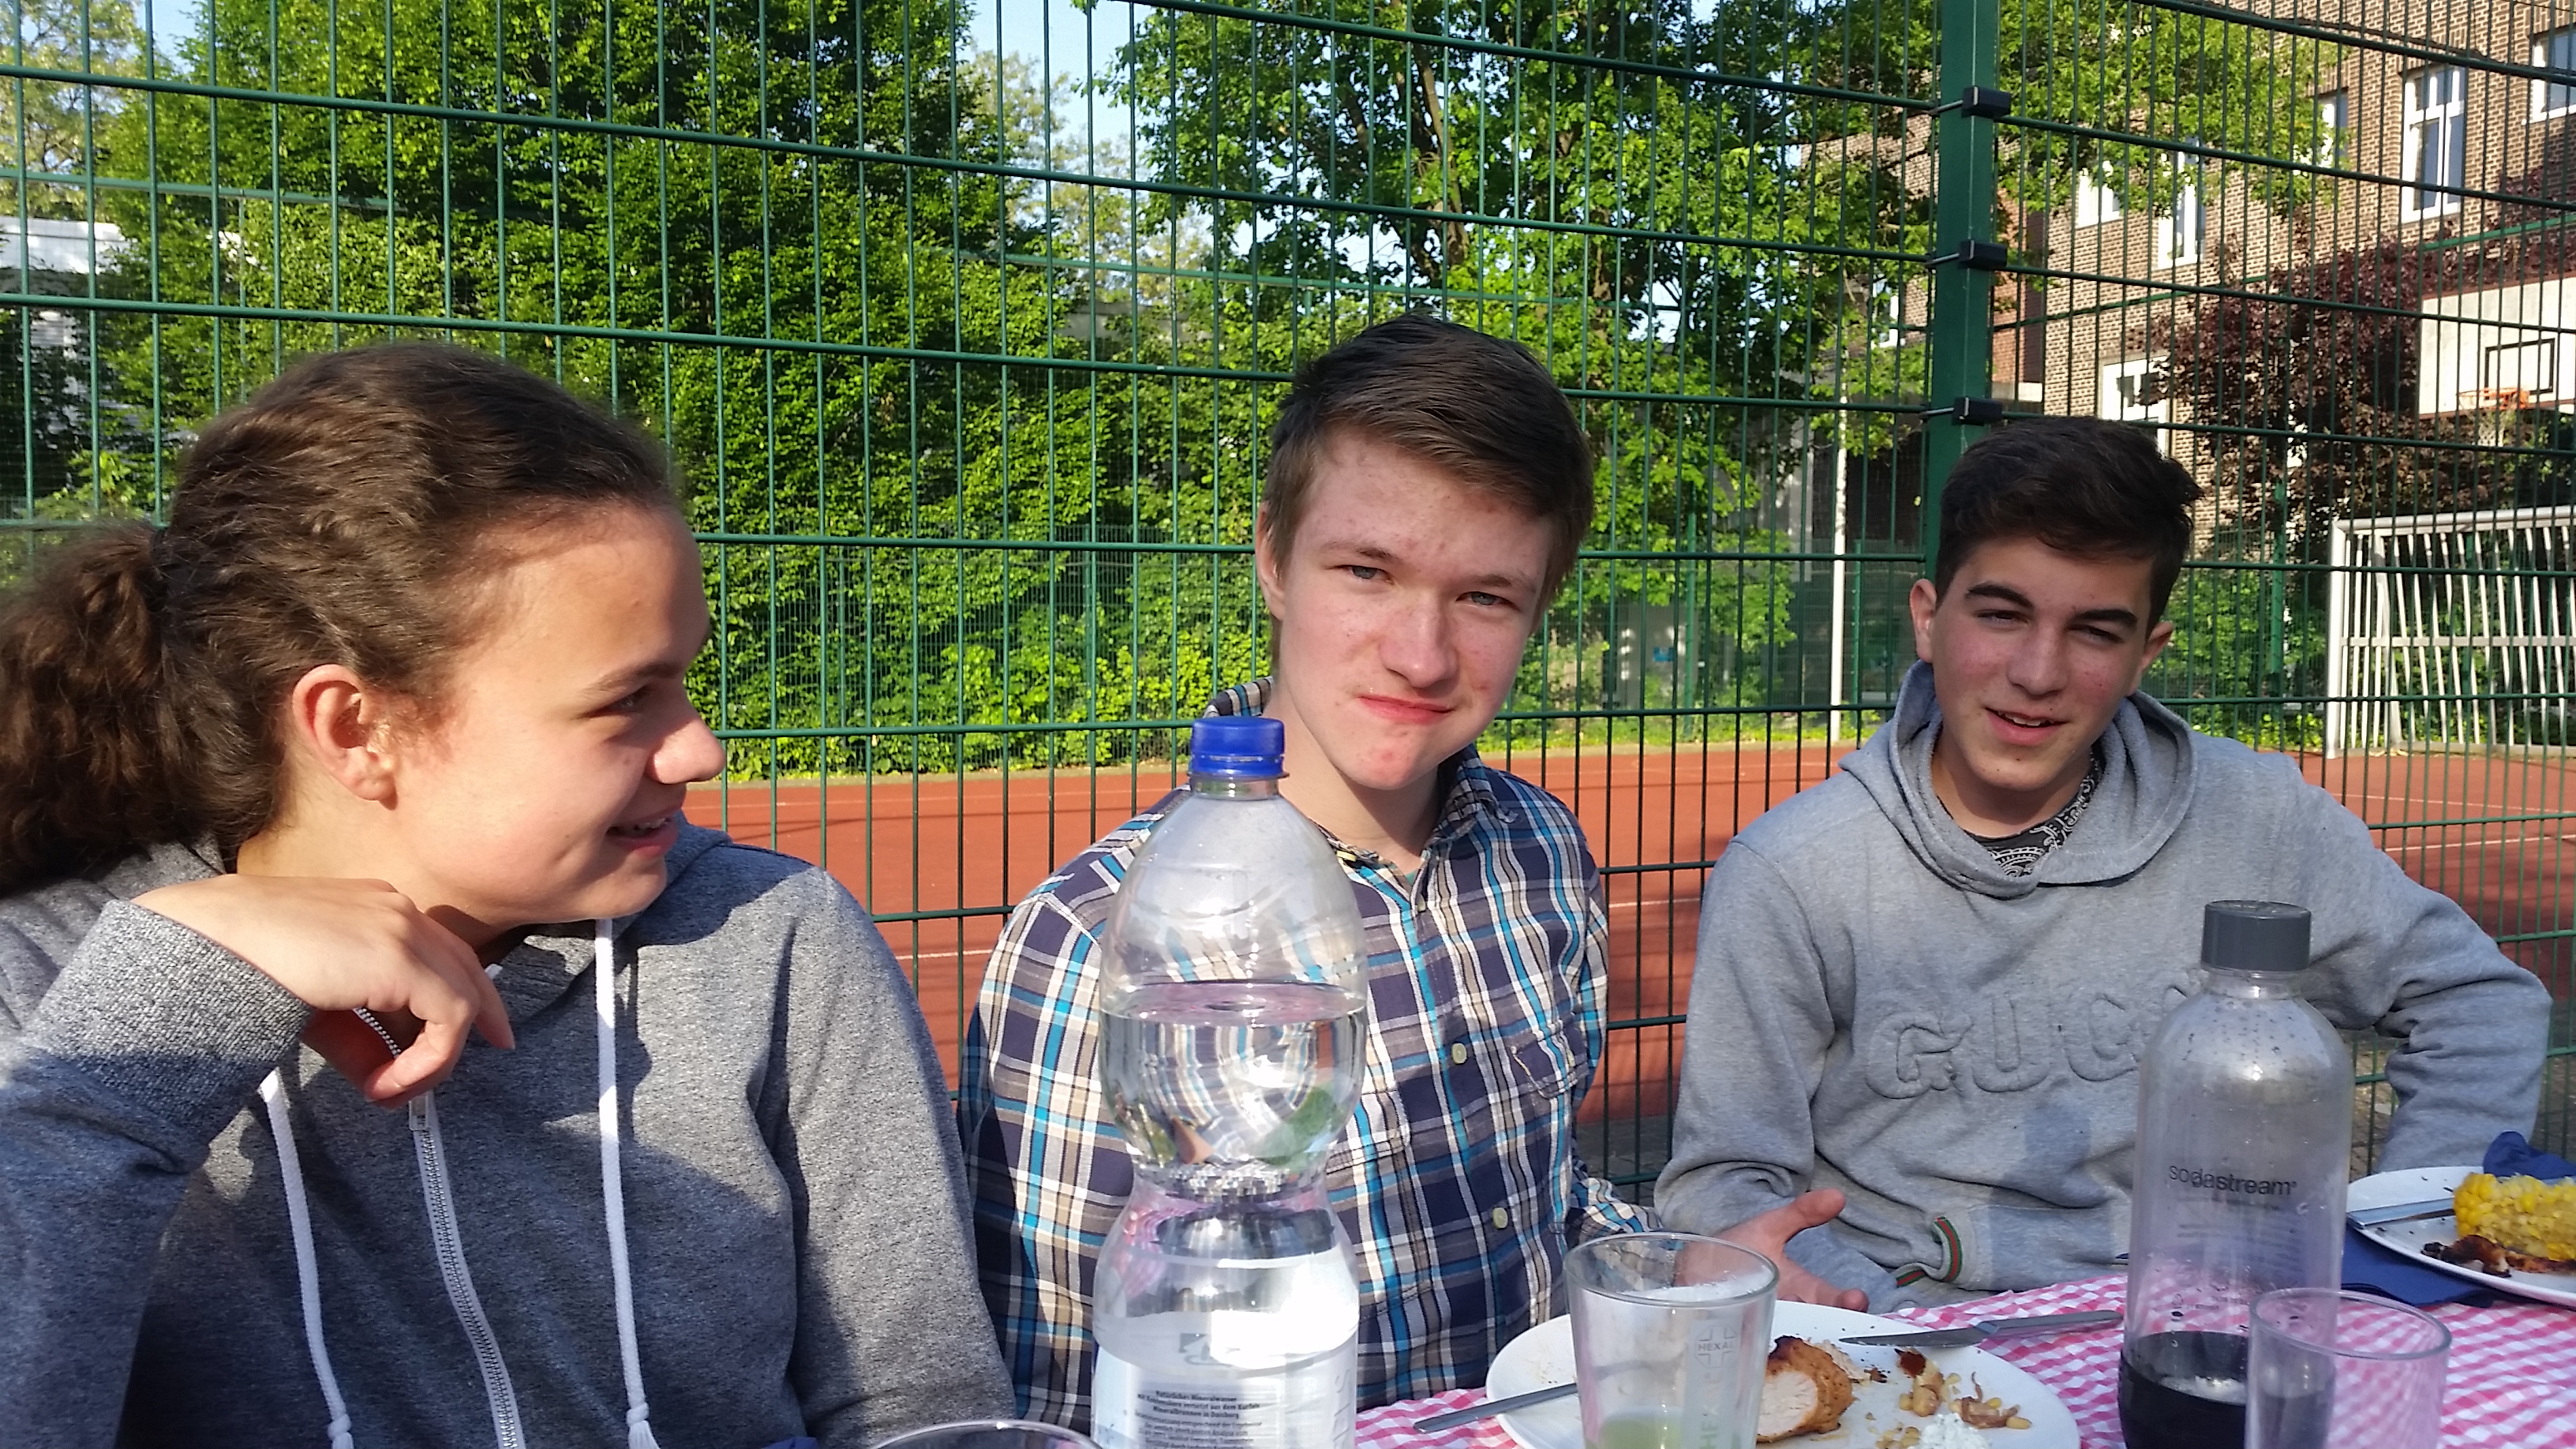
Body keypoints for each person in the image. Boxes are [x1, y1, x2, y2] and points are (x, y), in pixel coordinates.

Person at [0, 343, 1012, 1447]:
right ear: (357, 727)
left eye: (685, 679)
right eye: (625, 700)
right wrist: (140, 1054)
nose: (700, 751)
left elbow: (924, 1410)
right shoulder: (45, 990)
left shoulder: (776, 939)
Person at [1656, 416, 2553, 1311]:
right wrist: (1876, 1316)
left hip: (2217, 1321)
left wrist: (2403, 1244)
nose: (2038, 672)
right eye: (2002, 615)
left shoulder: (2258, 820)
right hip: (1925, 1337)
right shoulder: (1795, 871)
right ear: (1928, 619)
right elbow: (1725, 1181)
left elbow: (2478, 1003)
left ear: (2144, 654)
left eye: (2094, 631)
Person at [957, 313, 1650, 1424]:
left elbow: (1546, 1199)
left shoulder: (1541, 855)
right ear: (1273, 558)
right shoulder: (1097, 937)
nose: (1422, 655)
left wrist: (1670, 1267)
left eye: (1485, 596)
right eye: (1368, 571)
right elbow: (1051, 1391)